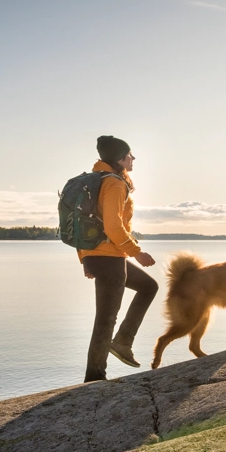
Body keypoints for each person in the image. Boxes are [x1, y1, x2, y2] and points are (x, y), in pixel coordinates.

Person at [79, 136, 158, 382]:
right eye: (129, 155)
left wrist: (86, 258)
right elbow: (113, 226)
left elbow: (83, 222)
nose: (133, 159)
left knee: (148, 286)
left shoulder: (98, 180)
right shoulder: (114, 183)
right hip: (108, 257)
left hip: (100, 255)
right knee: (106, 318)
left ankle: (123, 341)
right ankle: (94, 378)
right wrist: (137, 252)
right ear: (120, 159)